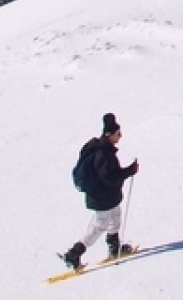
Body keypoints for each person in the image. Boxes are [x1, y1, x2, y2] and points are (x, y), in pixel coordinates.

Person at [58, 113, 141, 271]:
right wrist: (129, 171)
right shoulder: (103, 154)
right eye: (118, 134)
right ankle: (73, 255)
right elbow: (108, 178)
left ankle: (114, 248)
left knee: (115, 217)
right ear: (110, 135)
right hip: (101, 198)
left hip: (108, 197)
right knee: (98, 227)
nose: (121, 136)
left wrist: (127, 171)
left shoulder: (105, 149)